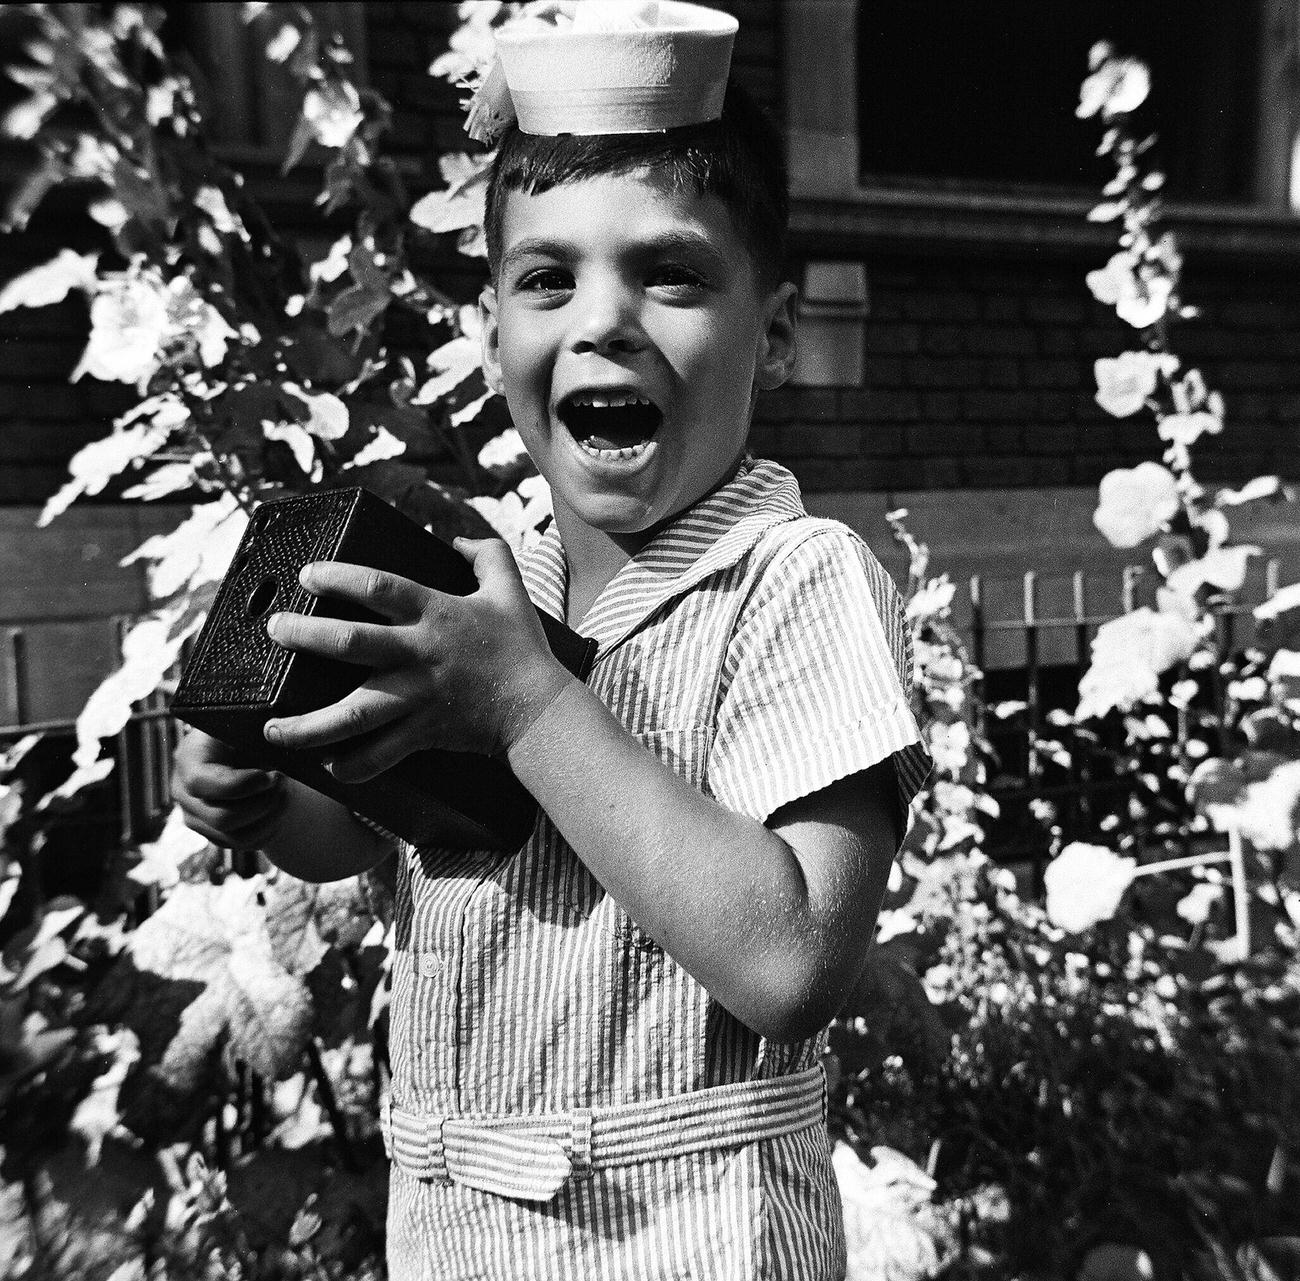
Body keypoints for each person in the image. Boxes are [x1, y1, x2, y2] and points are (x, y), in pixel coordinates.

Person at [172, 3, 929, 1277]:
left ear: (780, 334)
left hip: (687, 1237)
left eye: (671, 272)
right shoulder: (485, 589)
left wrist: (528, 706)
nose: (603, 320)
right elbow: (377, 834)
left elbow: (790, 960)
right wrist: (268, 792)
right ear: (492, 337)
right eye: (546, 278)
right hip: (456, 1231)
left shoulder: (792, 581)